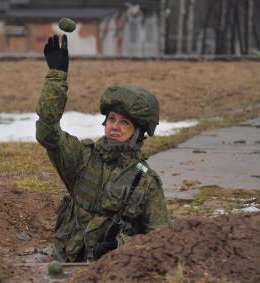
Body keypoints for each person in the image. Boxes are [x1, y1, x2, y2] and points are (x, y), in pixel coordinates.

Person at [36, 34, 169, 262]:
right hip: (65, 266)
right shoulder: (82, 158)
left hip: (113, 272)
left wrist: (120, 247)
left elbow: (162, 239)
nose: (115, 127)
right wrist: (57, 78)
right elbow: (48, 131)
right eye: (112, 119)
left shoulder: (146, 182)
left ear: (138, 132)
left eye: (124, 122)